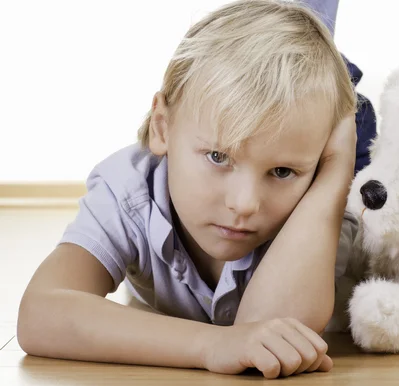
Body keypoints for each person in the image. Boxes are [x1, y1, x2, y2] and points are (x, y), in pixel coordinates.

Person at [17, 0, 377, 379]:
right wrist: (208, 345)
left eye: (282, 171)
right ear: (161, 127)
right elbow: (41, 312)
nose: (244, 204)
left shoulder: (322, 205)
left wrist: (338, 170)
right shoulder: (129, 189)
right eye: (218, 156)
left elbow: (270, 346)